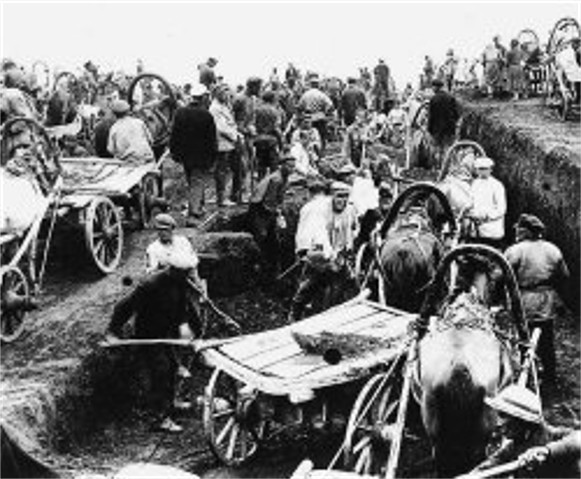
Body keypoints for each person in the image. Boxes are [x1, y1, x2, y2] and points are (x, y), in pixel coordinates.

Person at [504, 214, 570, 382]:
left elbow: (501, 276)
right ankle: (549, 375)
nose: (516, 232)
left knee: (523, 337)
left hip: (524, 299)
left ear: (524, 231)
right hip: (546, 299)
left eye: (519, 229)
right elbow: (564, 275)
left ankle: (524, 374)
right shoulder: (552, 249)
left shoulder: (515, 250)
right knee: (546, 337)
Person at [288, 181, 359, 322]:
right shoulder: (320, 211)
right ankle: (295, 313)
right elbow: (320, 235)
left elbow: (352, 230)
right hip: (321, 254)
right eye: (339, 197)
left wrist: (347, 249)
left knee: (349, 284)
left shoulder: (349, 211)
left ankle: (338, 314)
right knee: (310, 284)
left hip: (339, 254)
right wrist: (329, 257)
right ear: (331, 196)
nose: (342, 201)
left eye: (345, 197)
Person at [471, 385, 576, 477]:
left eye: (503, 416)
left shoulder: (553, 436)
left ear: (522, 422)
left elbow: (577, 439)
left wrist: (547, 451)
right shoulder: (513, 448)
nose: (498, 423)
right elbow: (488, 466)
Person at [169, 84, 217, 222]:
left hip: (184, 155)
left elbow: (174, 134)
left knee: (192, 180)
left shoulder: (180, 112)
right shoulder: (207, 115)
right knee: (197, 181)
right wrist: (213, 156)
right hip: (201, 156)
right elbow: (211, 139)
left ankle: (199, 207)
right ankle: (194, 213)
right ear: (203, 98)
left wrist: (174, 152)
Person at [247, 154, 296, 280]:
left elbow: (279, 198)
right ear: (282, 166)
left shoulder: (285, 179)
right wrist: (277, 212)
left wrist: (279, 209)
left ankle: (270, 266)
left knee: (273, 237)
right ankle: (255, 265)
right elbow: (268, 202)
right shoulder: (276, 179)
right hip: (259, 208)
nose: (292, 169)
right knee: (261, 236)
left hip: (268, 209)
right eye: (289, 166)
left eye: (293, 167)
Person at [210, 84, 242, 206]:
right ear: (218, 94)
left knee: (228, 169)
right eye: (224, 93)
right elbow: (221, 127)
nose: (227, 95)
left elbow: (230, 123)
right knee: (221, 170)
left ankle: (229, 196)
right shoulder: (215, 108)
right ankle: (221, 198)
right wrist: (235, 136)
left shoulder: (223, 106)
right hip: (222, 143)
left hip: (228, 142)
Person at [467, 156, 506, 249]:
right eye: (480, 169)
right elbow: (471, 202)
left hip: (492, 231)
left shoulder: (496, 185)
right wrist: (470, 212)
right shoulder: (474, 184)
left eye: (485, 169)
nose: (482, 171)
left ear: (490, 170)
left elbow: (501, 209)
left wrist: (485, 216)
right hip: (476, 231)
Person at [427, 78, 460, 169]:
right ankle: (448, 168)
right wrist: (453, 124)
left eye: (433, 87)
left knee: (437, 149)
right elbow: (457, 114)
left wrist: (429, 129)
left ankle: (437, 168)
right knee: (448, 149)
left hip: (437, 130)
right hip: (449, 129)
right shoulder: (451, 97)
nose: (432, 89)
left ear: (436, 87)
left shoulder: (433, 99)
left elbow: (431, 116)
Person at [297, 75, 334, 153]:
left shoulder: (305, 95)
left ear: (310, 85)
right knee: (321, 137)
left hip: (308, 118)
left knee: (308, 138)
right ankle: (320, 154)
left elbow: (299, 107)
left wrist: (302, 115)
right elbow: (330, 105)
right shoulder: (322, 95)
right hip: (320, 118)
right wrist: (326, 113)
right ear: (318, 85)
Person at [254, 90, 283, 179]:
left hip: (259, 140)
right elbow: (276, 128)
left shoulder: (257, 109)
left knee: (261, 166)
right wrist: (281, 142)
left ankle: (260, 187)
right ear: (273, 99)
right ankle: (272, 189)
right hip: (271, 140)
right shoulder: (274, 111)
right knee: (273, 167)